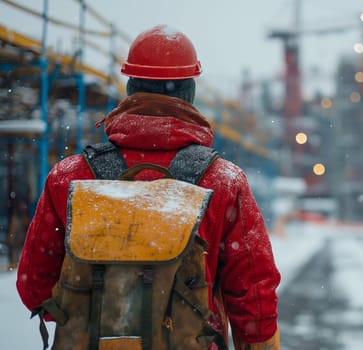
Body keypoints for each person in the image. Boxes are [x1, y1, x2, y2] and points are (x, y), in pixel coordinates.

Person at [16, 24, 281, 349]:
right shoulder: (224, 181)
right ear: (189, 94)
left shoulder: (69, 177)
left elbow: (35, 289)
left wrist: (103, 314)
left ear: (129, 88)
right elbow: (254, 301)